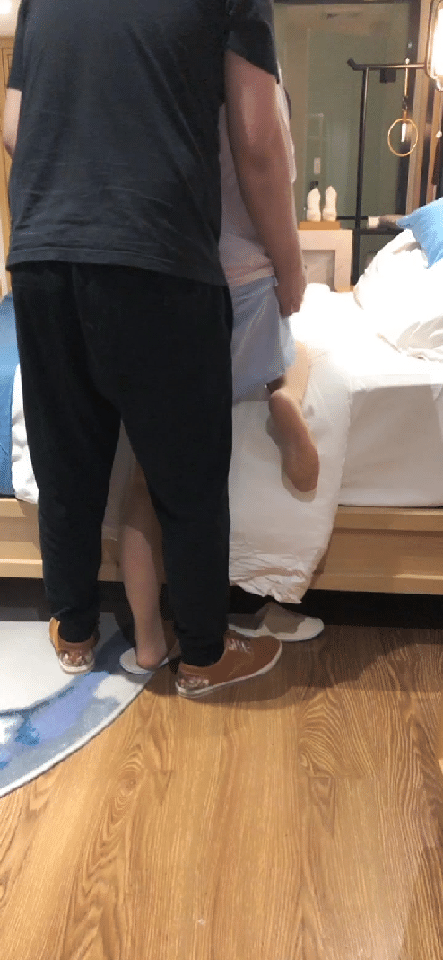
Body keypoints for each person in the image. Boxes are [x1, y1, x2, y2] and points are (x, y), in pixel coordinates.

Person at [3, 0, 304, 699]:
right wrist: (289, 268)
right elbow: (258, 142)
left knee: (66, 461)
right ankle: (202, 656)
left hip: (43, 250)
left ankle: (75, 631)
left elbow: (15, 126)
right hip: (160, 251)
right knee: (187, 475)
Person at [119, 69, 317, 677]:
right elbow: (268, 176)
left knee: (144, 481)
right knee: (299, 354)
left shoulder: (160, 82)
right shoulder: (262, 85)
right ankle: (283, 395)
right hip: (249, 288)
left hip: (169, 289)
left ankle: (148, 641)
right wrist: (290, 269)